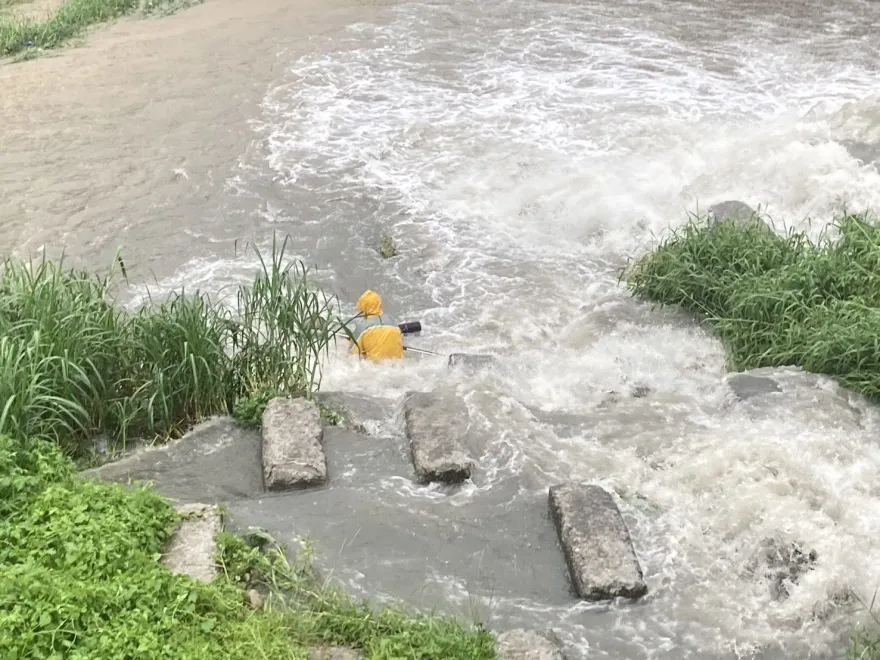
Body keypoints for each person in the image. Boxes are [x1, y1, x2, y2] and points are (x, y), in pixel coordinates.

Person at [349, 290, 404, 361]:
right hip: (398, 365)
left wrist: (348, 341)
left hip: (375, 368)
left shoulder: (362, 327)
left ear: (363, 306)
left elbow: (351, 353)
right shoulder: (393, 321)